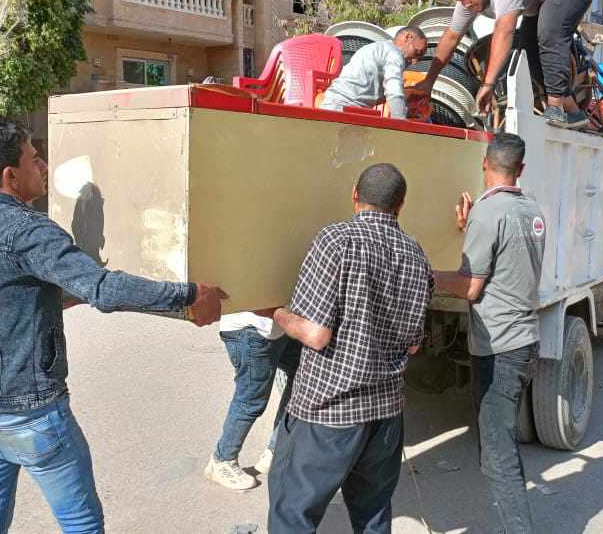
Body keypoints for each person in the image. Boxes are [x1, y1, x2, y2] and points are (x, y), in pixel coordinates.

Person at [0, 121, 227, 534]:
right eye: (34, 158)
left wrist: (83, 291)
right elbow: (104, 289)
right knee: (83, 526)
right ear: (10, 176)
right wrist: (188, 293)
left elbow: (5, 301)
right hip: (33, 412)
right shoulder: (30, 232)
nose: (43, 165)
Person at [267, 163, 433, 534]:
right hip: (386, 414)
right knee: (373, 516)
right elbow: (414, 343)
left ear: (354, 195)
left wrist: (275, 311)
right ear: (400, 205)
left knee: (292, 513)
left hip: (330, 409)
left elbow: (315, 334)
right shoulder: (416, 254)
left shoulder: (336, 241)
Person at [432, 133, 544, 534]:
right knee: (495, 443)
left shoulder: (487, 212)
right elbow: (504, 261)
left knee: (497, 451)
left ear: (484, 164)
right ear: (521, 170)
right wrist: (470, 230)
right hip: (524, 338)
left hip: (499, 347)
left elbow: (472, 287)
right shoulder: (532, 210)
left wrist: (426, 271)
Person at [414, 0, 599, 129]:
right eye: (462, 1)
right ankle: (574, 112)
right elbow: (451, 37)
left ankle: (556, 107)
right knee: (527, 48)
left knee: (550, 32)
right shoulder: (468, 0)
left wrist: (488, 84)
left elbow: (504, 31)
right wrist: (429, 81)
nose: (467, 4)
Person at [205, 310, 301, 491]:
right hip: (251, 331)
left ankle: (276, 450)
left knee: (303, 374)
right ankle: (222, 460)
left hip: (277, 328)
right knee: (251, 400)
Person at [319, 26, 429, 119]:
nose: (415, 62)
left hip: (332, 103)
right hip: (345, 109)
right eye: (417, 52)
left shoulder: (379, 48)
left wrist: (406, 96)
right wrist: (401, 123)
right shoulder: (394, 54)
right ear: (407, 38)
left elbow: (367, 90)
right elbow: (393, 92)